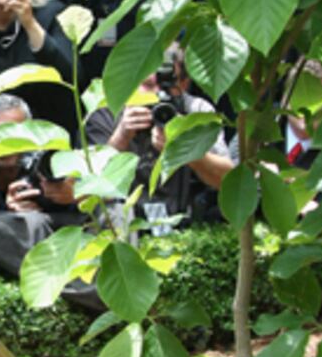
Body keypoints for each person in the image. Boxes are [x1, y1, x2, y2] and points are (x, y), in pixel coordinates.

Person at [85, 43, 233, 231]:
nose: (157, 95)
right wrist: (121, 137)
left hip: (183, 222)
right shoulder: (106, 112)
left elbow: (227, 180)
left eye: (166, 85)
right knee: (116, 213)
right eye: (147, 85)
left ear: (184, 83)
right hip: (124, 222)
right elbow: (86, 190)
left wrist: (187, 151)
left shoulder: (196, 112)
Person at [0, 95, 86, 279]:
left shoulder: (46, 166)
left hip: (58, 254)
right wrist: (10, 221)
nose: (8, 145)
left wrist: (74, 194)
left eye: (16, 135)